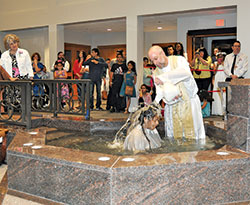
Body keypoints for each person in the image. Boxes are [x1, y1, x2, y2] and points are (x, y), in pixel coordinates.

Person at [148, 45, 205, 141]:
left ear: (162, 53)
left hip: (190, 104)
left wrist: (163, 78)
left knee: (194, 137)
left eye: (156, 59)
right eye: (152, 61)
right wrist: (169, 99)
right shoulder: (156, 73)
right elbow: (160, 93)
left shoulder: (179, 60)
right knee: (175, 140)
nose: (155, 63)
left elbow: (185, 74)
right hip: (172, 108)